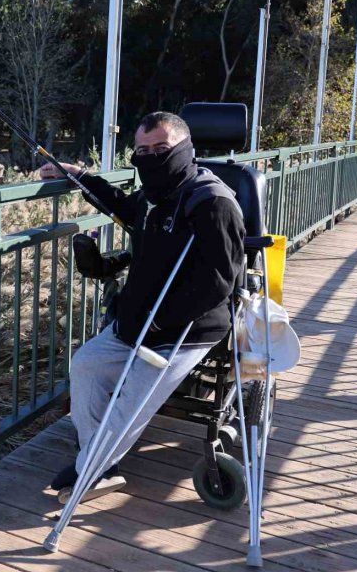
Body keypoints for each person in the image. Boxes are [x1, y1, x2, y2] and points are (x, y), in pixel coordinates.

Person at [39, 111, 245, 503]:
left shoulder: (212, 202)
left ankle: (90, 470)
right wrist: (78, 175)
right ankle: (99, 463)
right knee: (85, 365)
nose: (151, 157)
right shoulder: (153, 198)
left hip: (184, 332)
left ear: (185, 148)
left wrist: (160, 322)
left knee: (130, 399)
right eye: (143, 150)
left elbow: (219, 281)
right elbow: (119, 204)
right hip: (135, 323)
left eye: (161, 149)